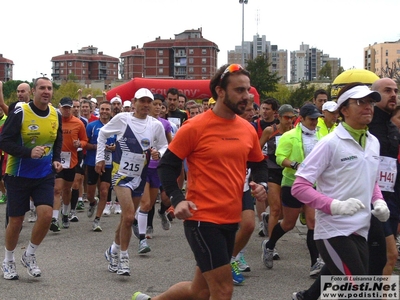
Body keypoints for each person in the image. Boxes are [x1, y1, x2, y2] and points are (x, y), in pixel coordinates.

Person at [132, 63, 268, 300]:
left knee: (200, 290)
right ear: (220, 91)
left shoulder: (246, 129)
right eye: (239, 90)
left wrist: (261, 184)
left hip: (230, 218)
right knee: (223, 290)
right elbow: (167, 165)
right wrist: (178, 198)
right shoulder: (195, 127)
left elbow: (258, 163)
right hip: (202, 219)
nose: (246, 97)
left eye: (248, 90)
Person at [291, 83, 389, 279]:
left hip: (361, 229)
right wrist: (334, 206)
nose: (368, 106)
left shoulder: (373, 142)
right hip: (333, 231)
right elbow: (299, 187)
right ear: (344, 110)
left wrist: (379, 200)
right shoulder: (330, 143)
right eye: (360, 102)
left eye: (370, 102)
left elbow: (370, 179)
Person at [98, 88, 168, 276]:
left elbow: (164, 146)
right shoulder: (123, 119)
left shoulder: (156, 125)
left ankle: (112, 250)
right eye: (142, 101)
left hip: (140, 175)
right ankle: (123, 258)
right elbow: (102, 133)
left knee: (125, 219)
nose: (146, 105)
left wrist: (157, 153)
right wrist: (100, 158)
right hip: (120, 175)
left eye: (149, 102)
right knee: (129, 216)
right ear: (134, 102)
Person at [0, 77, 63, 280]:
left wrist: (55, 159)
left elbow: (57, 139)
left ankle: (29, 254)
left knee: (46, 216)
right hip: (18, 175)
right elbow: (4, 141)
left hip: (44, 175)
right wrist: (28, 153)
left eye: (49, 88)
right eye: (42, 88)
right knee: (16, 221)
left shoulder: (56, 114)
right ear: (34, 91)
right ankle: (8, 259)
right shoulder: (20, 112)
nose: (46, 91)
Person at [261, 103, 324, 277]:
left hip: (313, 185)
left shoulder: (322, 134)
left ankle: (315, 263)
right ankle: (269, 244)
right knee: (288, 223)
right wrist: (295, 164)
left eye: (316, 119)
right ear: (301, 119)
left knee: (312, 222)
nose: (314, 122)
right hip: (293, 183)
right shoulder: (289, 136)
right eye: (311, 119)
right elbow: (280, 158)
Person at [133, 93, 173, 248]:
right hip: (142, 168)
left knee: (150, 204)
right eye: (153, 104)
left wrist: (161, 155)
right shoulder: (137, 122)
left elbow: (168, 146)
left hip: (158, 168)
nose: (156, 107)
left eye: (158, 104)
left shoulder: (163, 125)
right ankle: (142, 240)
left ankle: (137, 218)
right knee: (146, 203)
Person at [369, 77, 400, 275]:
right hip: (369, 200)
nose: (394, 95)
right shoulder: (367, 125)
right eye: (388, 91)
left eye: (396, 91)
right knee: (384, 256)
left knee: (381, 257)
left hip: (390, 201)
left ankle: (309, 295)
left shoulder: (393, 129)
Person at [259, 104, 295, 260]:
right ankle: (271, 246)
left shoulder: (296, 132)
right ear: (279, 117)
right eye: (287, 117)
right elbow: (257, 148)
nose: (290, 121)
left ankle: (268, 221)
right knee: (275, 209)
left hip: (289, 173)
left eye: (292, 117)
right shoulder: (270, 130)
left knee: (284, 212)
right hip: (272, 171)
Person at [51, 97, 88, 231]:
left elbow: (84, 140)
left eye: (68, 108)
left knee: (67, 190)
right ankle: (54, 218)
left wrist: (80, 144)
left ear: (72, 108)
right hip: (57, 159)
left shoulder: (78, 123)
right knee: (57, 189)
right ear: (59, 107)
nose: (66, 110)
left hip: (71, 161)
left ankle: (65, 213)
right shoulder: (54, 121)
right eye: (64, 107)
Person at [84, 100, 116, 231]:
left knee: (104, 191)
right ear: (98, 110)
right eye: (102, 109)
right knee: (91, 193)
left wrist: (114, 148)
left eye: (107, 109)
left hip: (108, 163)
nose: (104, 112)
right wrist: (97, 147)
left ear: (111, 111)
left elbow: (120, 143)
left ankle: (97, 220)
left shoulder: (115, 126)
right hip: (93, 162)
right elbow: (85, 143)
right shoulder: (91, 126)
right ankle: (92, 202)